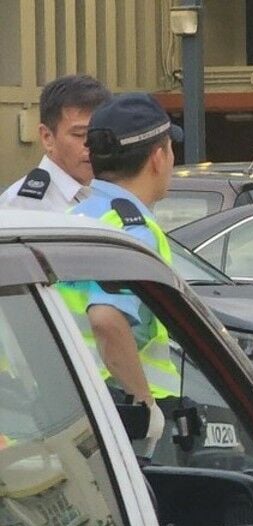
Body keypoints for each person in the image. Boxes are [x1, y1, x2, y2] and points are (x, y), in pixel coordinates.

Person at [61, 92, 186, 454]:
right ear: (158, 157)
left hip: (68, 408)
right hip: (118, 411)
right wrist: (145, 406)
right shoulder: (131, 230)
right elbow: (106, 320)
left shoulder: (71, 220)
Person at [1, 75, 111, 212]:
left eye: (99, 134)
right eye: (79, 134)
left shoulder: (113, 189)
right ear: (47, 137)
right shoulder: (24, 204)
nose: (91, 144)